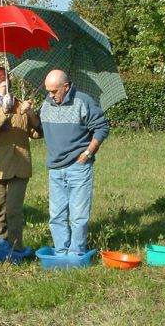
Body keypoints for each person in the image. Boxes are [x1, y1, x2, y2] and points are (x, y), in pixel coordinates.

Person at [39, 69, 110, 256]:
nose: (51, 95)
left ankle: (76, 254)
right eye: (48, 90)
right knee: (57, 216)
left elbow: (102, 127)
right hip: (55, 168)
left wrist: (88, 152)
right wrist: (29, 113)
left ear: (66, 86)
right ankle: (61, 252)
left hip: (78, 167)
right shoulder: (45, 104)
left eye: (54, 91)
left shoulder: (83, 101)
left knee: (78, 216)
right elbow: (38, 130)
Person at [0, 68, 42, 252]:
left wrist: (30, 114)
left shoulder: (21, 104)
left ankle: (16, 249)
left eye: (6, 75)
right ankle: (1, 247)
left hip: (19, 165)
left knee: (14, 211)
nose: (3, 78)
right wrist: (3, 110)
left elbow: (37, 133)